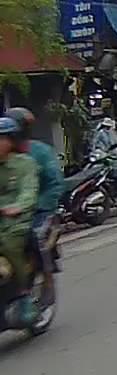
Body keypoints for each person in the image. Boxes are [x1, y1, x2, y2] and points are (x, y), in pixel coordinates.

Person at [6, 108, 64, 290]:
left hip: (39, 209)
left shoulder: (40, 152)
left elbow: (54, 184)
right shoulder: (6, 156)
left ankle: (47, 277)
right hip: (8, 211)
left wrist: (35, 205)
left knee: (36, 236)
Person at [0, 117, 40, 325]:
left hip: (16, 223)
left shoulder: (25, 164)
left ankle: (24, 296)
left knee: (9, 245)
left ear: (12, 140)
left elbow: (29, 190)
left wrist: (18, 206)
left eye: (1, 139)